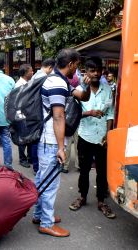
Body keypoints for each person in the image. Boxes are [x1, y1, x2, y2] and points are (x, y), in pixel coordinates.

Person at [32, 48, 91, 237]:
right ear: (71, 63)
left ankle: (39, 215)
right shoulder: (57, 83)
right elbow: (58, 116)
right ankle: (46, 223)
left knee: (42, 179)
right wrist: (60, 148)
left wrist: (86, 85)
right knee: (50, 183)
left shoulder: (59, 80)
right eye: (77, 65)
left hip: (47, 139)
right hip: (51, 141)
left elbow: (82, 96)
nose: (78, 69)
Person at [69, 57, 116, 219]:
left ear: (102, 71)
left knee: (102, 171)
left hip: (102, 137)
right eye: (92, 70)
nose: (95, 73)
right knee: (84, 170)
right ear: (86, 71)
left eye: (98, 70)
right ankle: (82, 197)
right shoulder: (79, 90)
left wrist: (108, 135)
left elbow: (110, 113)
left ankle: (101, 201)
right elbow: (73, 114)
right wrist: (88, 113)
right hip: (85, 136)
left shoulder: (107, 89)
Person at [31, 58, 55, 173]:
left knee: (35, 140)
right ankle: (37, 167)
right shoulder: (44, 78)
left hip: (34, 112)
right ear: (50, 67)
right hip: (39, 113)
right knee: (38, 140)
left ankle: (36, 166)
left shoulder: (35, 76)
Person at [15, 64, 34, 168]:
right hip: (22, 115)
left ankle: (30, 157)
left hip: (29, 114)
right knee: (22, 138)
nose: (32, 72)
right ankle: (22, 159)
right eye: (31, 71)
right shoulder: (19, 85)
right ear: (26, 73)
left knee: (30, 137)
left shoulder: (29, 83)